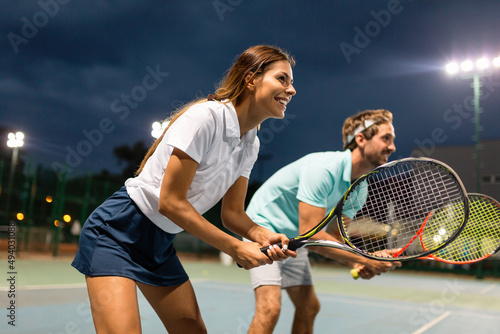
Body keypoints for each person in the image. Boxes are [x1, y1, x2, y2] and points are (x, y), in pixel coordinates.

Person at [71, 45, 298, 334]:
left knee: (192, 330)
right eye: (282, 79)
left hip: (158, 243)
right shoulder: (206, 118)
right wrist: (235, 247)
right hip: (116, 232)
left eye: (291, 82)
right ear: (251, 79)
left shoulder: (251, 142)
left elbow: (233, 214)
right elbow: (170, 203)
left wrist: (260, 234)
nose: (291, 90)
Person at [245, 109, 402, 334]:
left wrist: (357, 262)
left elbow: (336, 239)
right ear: (360, 139)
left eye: (392, 140)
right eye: (386, 138)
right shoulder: (324, 169)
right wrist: (366, 258)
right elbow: (313, 235)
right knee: (270, 308)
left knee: (309, 307)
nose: (392, 147)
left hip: (293, 238)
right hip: (263, 225)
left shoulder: (360, 188)